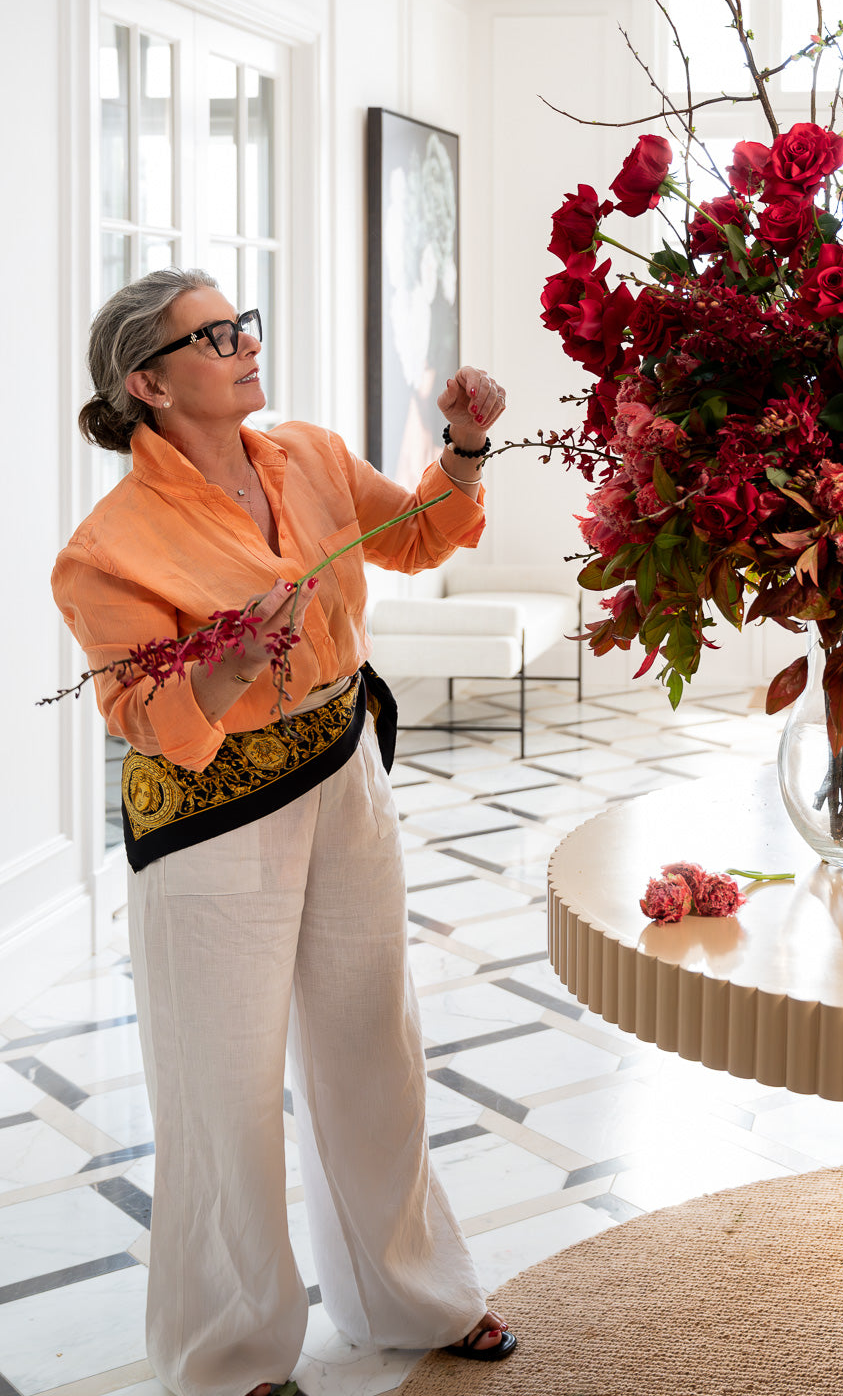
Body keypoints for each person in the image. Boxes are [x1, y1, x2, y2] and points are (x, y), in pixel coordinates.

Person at [51, 268, 516, 1396]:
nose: (244, 343)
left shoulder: (303, 454)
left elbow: (412, 536)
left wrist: (462, 447)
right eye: (212, 336)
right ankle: (232, 1353)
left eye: (241, 321)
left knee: (373, 1042)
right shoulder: (106, 548)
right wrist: (224, 667)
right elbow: (140, 719)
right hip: (212, 820)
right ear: (148, 383)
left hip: (344, 771)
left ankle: (414, 1292)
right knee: (224, 1084)